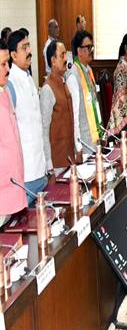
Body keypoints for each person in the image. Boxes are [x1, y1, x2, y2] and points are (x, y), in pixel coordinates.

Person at [6, 29, 47, 204]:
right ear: (13, 55)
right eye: (24, 47)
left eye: (29, 46)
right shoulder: (10, 84)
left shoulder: (29, 78)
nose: (30, 51)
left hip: (40, 169)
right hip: (25, 175)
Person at [40, 40, 78, 176]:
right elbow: (44, 131)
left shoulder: (63, 83)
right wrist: (49, 167)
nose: (66, 59)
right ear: (53, 60)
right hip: (57, 165)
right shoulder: (47, 89)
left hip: (69, 160)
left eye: (65, 54)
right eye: (62, 55)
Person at [0, 40, 27, 221]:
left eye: (7, 63)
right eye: (3, 64)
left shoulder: (5, 91)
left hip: (14, 186)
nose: (8, 69)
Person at [66, 30, 102, 152]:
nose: (91, 50)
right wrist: (78, 148)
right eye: (88, 47)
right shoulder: (73, 76)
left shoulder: (89, 70)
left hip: (95, 137)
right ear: (79, 51)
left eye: (92, 46)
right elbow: (74, 116)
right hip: (84, 142)